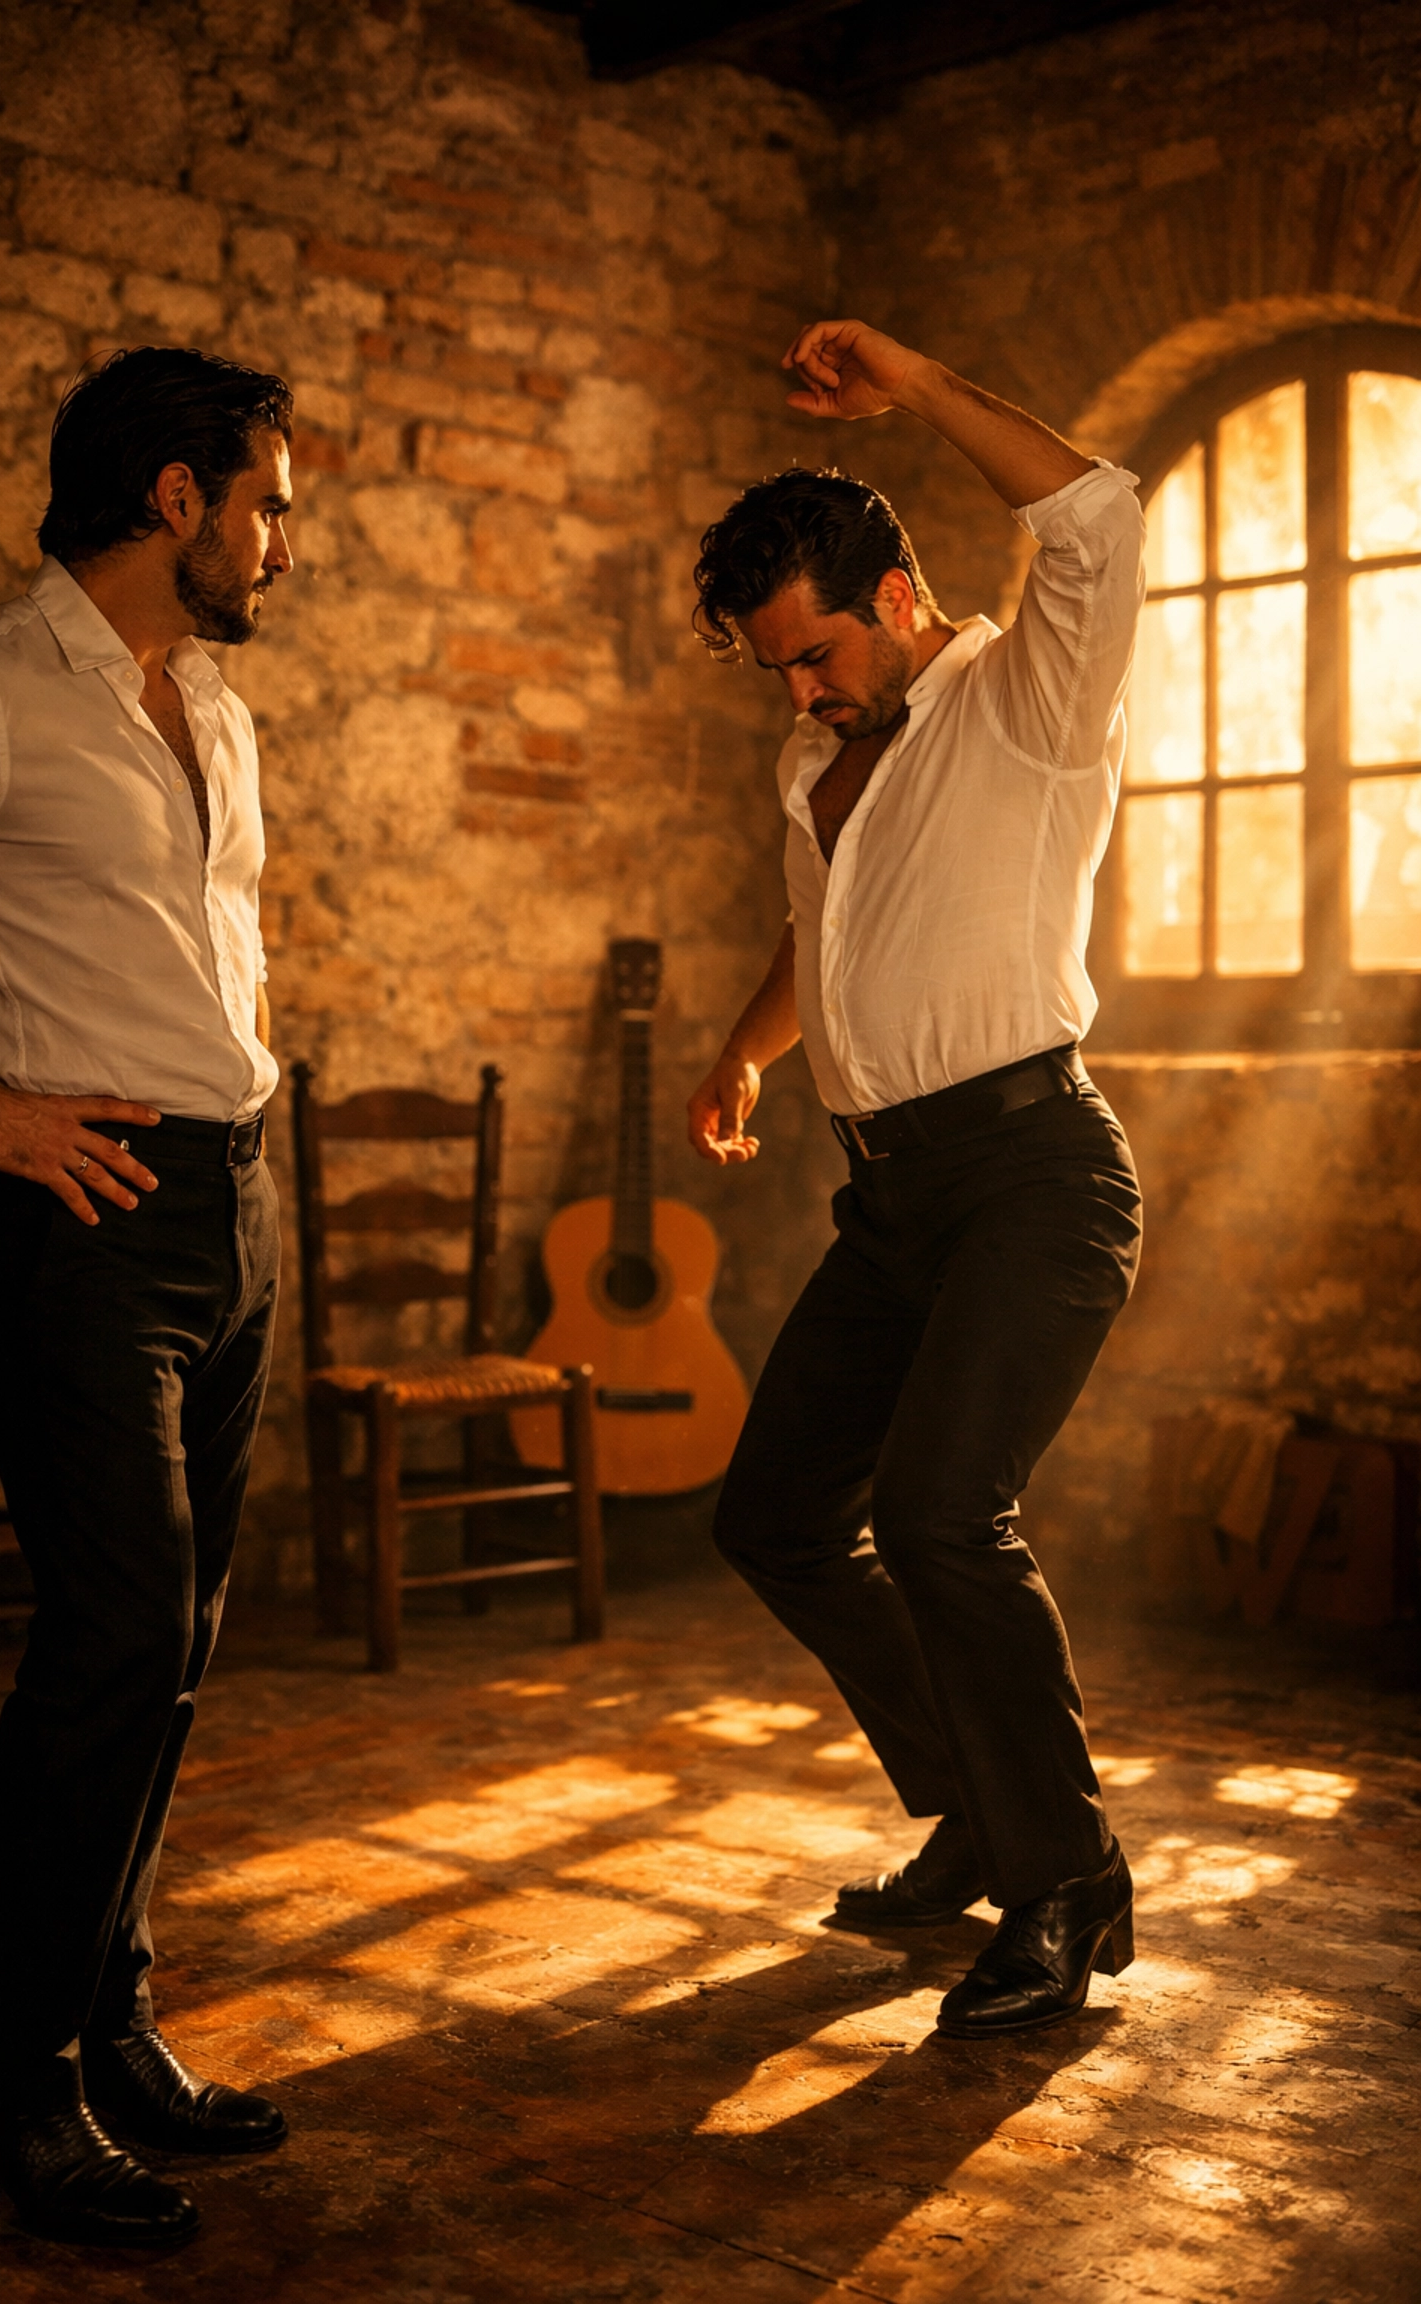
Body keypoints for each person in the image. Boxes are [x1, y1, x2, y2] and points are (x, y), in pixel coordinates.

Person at [687, 318, 1145, 2039]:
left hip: (1034, 1179)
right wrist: (745, 1045)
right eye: (770, 671)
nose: (796, 696)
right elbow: (830, 940)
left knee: (946, 1514)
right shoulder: (815, 762)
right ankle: (977, 1801)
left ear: (891, 598)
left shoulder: (1027, 694)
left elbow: (1100, 518)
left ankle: (1067, 1884)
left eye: (810, 655)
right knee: (775, 1518)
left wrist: (924, 391)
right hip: (890, 1203)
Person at [0, 347, 295, 2245]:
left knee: (182, 1642)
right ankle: (4, 2095)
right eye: (268, 498)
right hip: (75, 1223)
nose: (286, 535)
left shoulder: (210, 711)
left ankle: (109, 2021)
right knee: (115, 1634)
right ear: (172, 499)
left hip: (232, 1207)